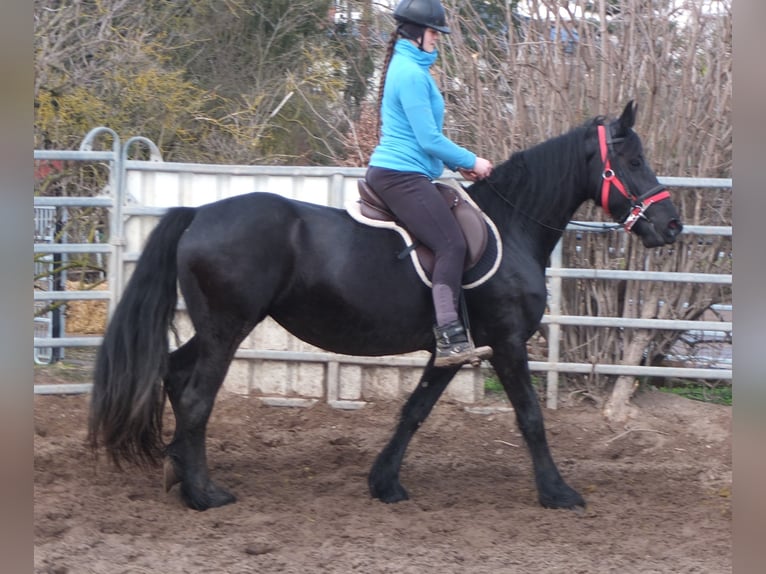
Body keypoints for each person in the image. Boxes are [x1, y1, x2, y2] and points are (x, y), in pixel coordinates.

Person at [365, 0, 493, 367]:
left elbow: (426, 140)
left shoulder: (410, 69)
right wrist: (472, 161)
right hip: (399, 175)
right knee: (451, 243)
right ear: (416, 32)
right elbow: (428, 139)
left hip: (409, 172)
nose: (438, 39)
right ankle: (450, 338)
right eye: (435, 32)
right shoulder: (409, 73)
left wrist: (456, 166)